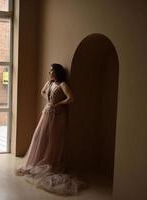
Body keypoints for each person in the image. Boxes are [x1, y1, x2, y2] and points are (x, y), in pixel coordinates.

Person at [16, 63, 85, 195]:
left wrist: (59, 103)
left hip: (58, 115)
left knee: (54, 140)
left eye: (52, 71)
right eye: (49, 71)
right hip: (47, 112)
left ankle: (51, 162)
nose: (50, 73)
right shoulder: (49, 83)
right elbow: (42, 92)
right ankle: (38, 160)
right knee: (40, 136)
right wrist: (49, 100)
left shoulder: (63, 84)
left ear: (57, 72)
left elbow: (71, 98)